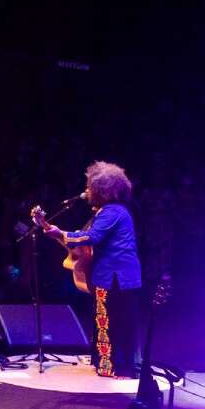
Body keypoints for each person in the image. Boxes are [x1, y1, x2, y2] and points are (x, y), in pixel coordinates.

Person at [37, 161, 142, 378]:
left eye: (90, 186)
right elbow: (83, 239)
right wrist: (50, 228)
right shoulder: (112, 211)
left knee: (109, 322)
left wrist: (60, 234)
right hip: (119, 277)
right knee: (114, 321)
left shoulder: (111, 212)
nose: (87, 191)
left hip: (114, 277)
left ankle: (111, 366)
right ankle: (115, 364)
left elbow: (91, 237)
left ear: (102, 190)